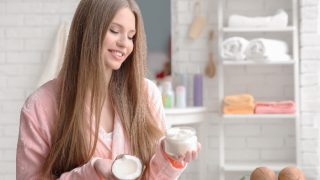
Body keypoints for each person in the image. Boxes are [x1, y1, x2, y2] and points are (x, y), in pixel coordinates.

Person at [16, 0, 201, 179]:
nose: (124, 44)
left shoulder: (147, 94)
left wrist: (169, 159)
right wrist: (91, 172)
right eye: (114, 31)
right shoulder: (40, 107)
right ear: (87, 31)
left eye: (131, 36)